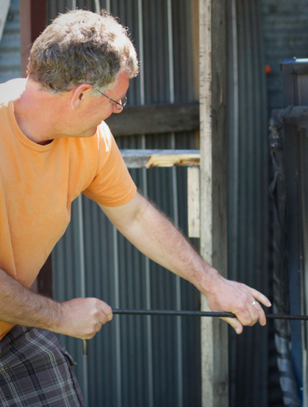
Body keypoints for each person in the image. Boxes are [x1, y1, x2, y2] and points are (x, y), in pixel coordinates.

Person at [0, 9, 270, 406]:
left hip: (9, 325)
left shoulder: (91, 140)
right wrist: (60, 317)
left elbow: (135, 215)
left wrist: (212, 284)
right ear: (79, 94)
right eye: (116, 100)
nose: (116, 110)